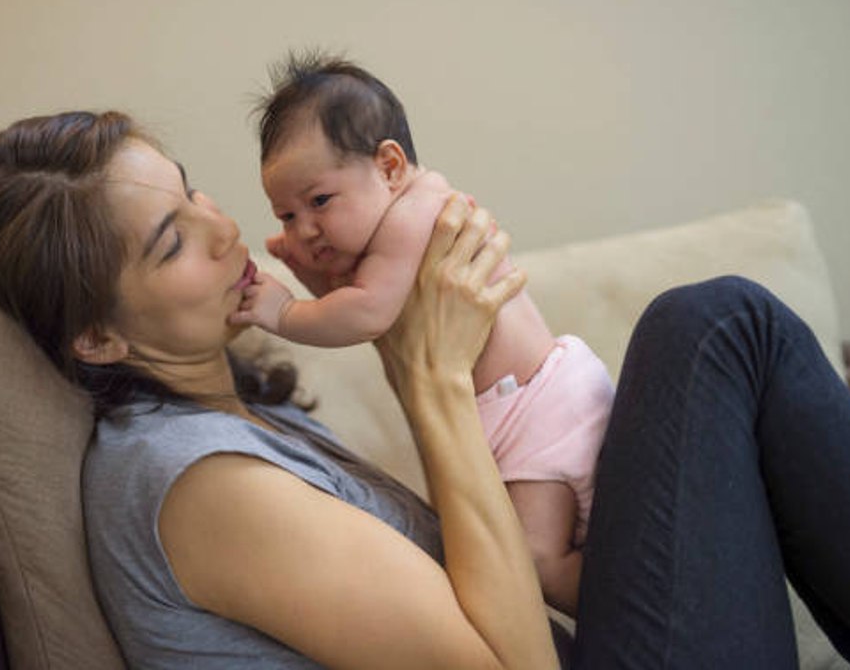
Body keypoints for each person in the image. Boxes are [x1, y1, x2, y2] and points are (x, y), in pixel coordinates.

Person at [0, 110, 850, 669]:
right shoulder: (194, 487)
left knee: (714, 327)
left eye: (189, 190)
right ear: (97, 335)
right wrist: (435, 377)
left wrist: (400, 330)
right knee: (713, 326)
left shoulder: (237, 414)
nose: (224, 227)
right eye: (172, 240)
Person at [235, 54, 613, 616]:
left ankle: (652, 611)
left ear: (389, 166)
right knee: (567, 549)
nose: (305, 229)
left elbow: (366, 315)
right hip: (518, 412)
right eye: (286, 215)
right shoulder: (393, 225)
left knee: (540, 564)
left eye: (319, 201)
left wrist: (284, 310)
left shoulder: (414, 214)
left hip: (536, 410)